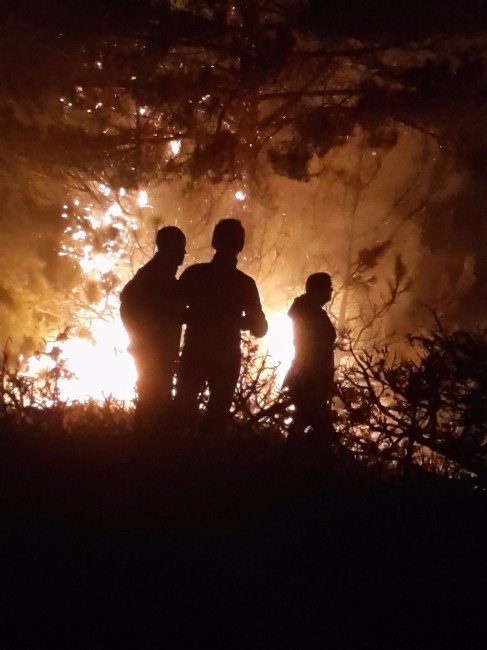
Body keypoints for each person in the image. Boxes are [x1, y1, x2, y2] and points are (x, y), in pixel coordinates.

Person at [176, 219, 268, 425]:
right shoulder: (244, 284)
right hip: (225, 357)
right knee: (216, 417)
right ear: (240, 246)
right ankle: (209, 454)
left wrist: (198, 316)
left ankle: (174, 453)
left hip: (195, 352)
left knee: (182, 411)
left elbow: (173, 312)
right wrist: (237, 322)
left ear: (214, 242)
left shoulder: (195, 274)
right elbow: (260, 328)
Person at [120, 226, 186, 425]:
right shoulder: (153, 276)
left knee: (155, 399)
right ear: (170, 249)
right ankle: (148, 447)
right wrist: (143, 341)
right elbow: (129, 304)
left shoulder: (159, 275)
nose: (183, 254)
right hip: (154, 354)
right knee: (153, 401)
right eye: (180, 249)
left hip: (157, 352)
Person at [284, 272, 336, 441]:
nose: (331, 290)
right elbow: (314, 350)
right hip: (309, 379)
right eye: (328, 287)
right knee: (321, 430)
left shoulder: (308, 311)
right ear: (319, 289)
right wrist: (317, 380)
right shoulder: (311, 314)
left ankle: (288, 459)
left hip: (309, 378)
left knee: (303, 423)